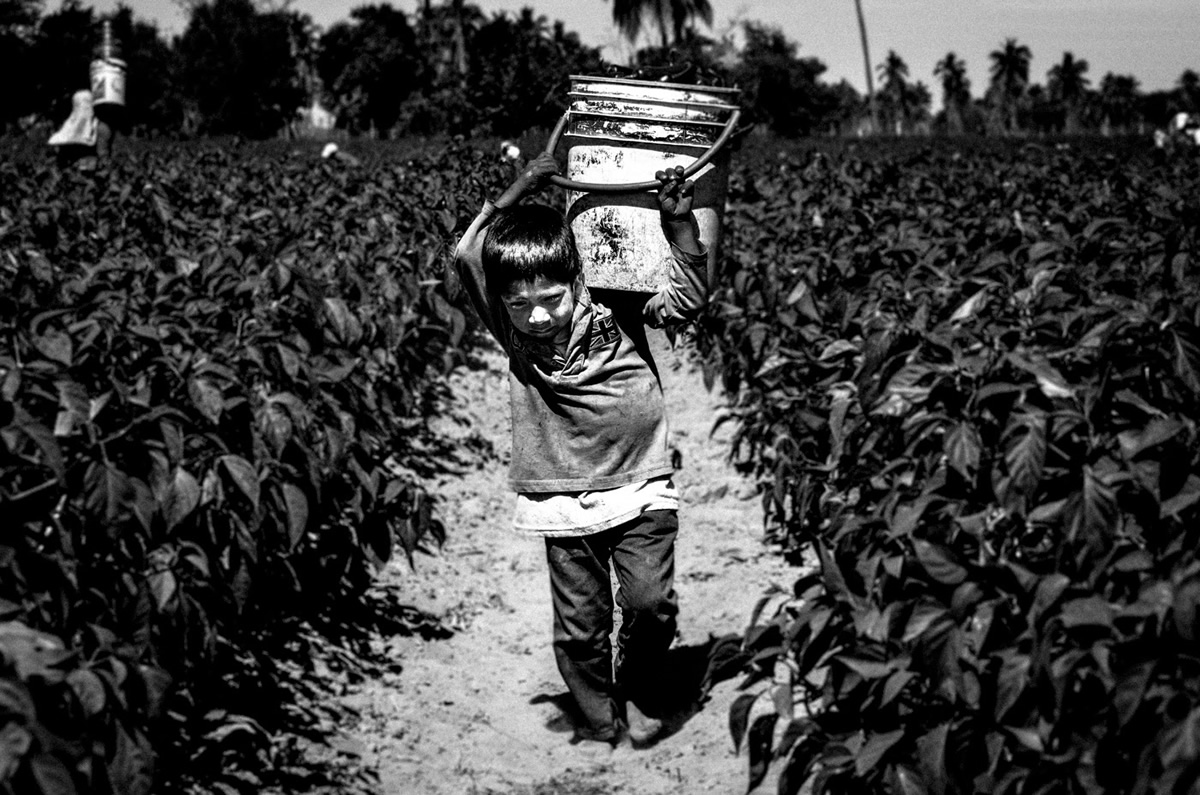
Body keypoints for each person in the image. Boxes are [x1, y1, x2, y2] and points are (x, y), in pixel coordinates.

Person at [452, 153, 709, 748]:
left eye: (552, 298)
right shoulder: (514, 334)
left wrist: (679, 229)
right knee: (579, 627)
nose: (539, 316)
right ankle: (601, 714)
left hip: (640, 480)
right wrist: (519, 188)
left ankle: (639, 686)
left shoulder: (616, 306)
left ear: (578, 280)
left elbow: (685, 301)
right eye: (520, 304)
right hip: (563, 496)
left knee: (649, 603)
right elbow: (468, 257)